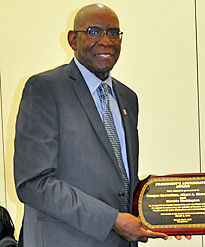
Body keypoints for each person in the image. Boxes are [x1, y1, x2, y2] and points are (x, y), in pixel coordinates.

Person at [13, 4, 179, 247]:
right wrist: (111, 220)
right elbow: (33, 183)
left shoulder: (128, 98)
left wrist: (167, 215)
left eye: (113, 33)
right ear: (73, 39)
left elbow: (119, 180)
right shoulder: (45, 89)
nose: (105, 41)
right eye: (93, 31)